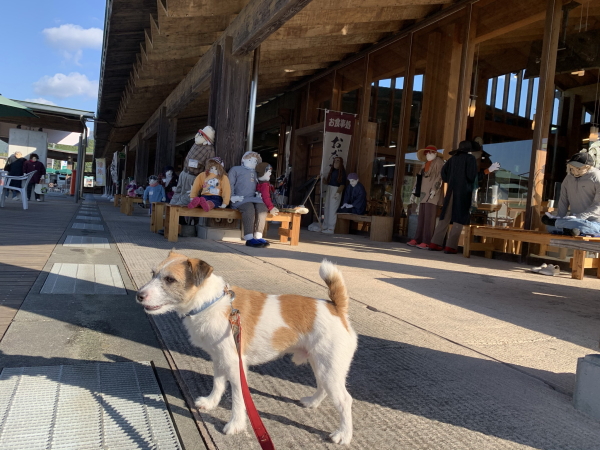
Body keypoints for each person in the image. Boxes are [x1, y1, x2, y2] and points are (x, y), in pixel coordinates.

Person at [429, 140, 478, 254]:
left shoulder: (452, 159)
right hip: (463, 192)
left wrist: (449, 180)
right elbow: (472, 176)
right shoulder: (470, 159)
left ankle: (435, 242)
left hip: (451, 190)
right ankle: (450, 246)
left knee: (445, 216)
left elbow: (443, 173)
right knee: (459, 217)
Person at [542, 151, 600, 237]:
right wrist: (559, 217)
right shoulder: (568, 178)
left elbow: (598, 204)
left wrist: (579, 217)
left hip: (593, 222)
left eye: (579, 168)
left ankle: (569, 228)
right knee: (549, 227)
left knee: (584, 226)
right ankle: (570, 229)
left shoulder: (597, 177)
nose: (575, 171)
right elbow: (563, 200)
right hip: (572, 221)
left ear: (588, 167)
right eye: (572, 168)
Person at [407, 145, 444, 249]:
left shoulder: (439, 163)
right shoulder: (424, 165)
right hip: (423, 193)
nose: (428, 154)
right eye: (426, 153)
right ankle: (417, 238)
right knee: (421, 217)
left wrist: (434, 189)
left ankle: (427, 240)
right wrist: (414, 191)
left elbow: (440, 177)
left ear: (435, 153)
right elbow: (418, 178)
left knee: (429, 218)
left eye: (430, 152)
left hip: (432, 194)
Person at [322, 156, 346, 234]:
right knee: (327, 207)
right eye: (335, 160)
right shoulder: (332, 171)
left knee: (333, 209)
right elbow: (328, 182)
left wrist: (338, 193)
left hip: (336, 189)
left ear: (341, 162)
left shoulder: (342, 172)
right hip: (329, 188)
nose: (336, 162)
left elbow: (342, 184)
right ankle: (325, 225)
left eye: (338, 160)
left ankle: (331, 228)